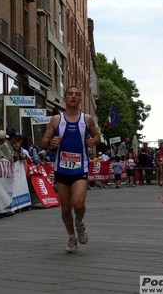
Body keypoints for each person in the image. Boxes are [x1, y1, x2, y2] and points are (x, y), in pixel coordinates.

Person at [41, 85, 100, 253]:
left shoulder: (87, 119)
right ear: (65, 98)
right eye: (70, 94)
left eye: (76, 95)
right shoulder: (56, 120)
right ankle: (72, 237)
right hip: (61, 169)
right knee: (66, 208)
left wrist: (94, 141)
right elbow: (44, 139)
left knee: (78, 203)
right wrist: (50, 142)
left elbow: (97, 135)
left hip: (80, 168)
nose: (73, 97)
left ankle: (80, 223)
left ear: (80, 99)